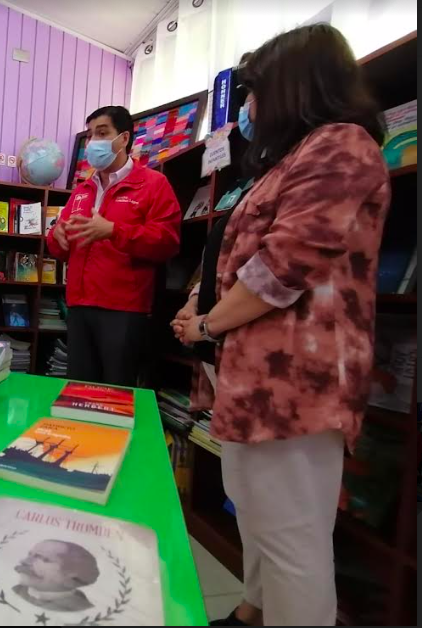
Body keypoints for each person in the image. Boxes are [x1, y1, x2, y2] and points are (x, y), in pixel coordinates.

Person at [172, 24, 391, 627]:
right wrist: (199, 305)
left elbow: (281, 267)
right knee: (256, 513)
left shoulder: (341, 145)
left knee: (294, 540)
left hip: (296, 383)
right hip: (254, 378)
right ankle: (253, 611)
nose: (248, 106)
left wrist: (207, 326)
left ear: (294, 85)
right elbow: (233, 254)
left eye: (255, 90)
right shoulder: (286, 160)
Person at [46, 106, 180, 386]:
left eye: (102, 133)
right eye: (90, 135)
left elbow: (167, 242)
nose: (93, 142)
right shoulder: (82, 190)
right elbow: (59, 249)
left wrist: (114, 231)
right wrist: (57, 237)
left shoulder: (154, 184)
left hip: (123, 310)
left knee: (116, 394)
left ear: (124, 138)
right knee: (79, 391)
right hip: (79, 306)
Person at [13, 540, 100, 613]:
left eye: (44, 559)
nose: (24, 561)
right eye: (30, 555)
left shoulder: (81, 609)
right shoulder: (16, 591)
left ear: (72, 575)